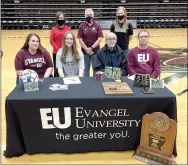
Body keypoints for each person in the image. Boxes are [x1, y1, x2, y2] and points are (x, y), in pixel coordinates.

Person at [77, 8, 103, 77]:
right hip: (85, 53)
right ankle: (86, 84)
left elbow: (99, 39)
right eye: (87, 15)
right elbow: (80, 39)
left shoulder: (98, 26)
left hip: (95, 52)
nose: (89, 16)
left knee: (96, 69)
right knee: (85, 70)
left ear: (93, 16)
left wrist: (91, 48)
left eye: (90, 15)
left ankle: (95, 84)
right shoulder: (81, 26)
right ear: (85, 16)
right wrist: (86, 49)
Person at [50, 11, 71, 77]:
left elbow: (70, 40)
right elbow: (51, 41)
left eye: (62, 17)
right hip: (56, 53)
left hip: (66, 52)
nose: (61, 19)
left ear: (64, 19)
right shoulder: (53, 29)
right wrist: (59, 50)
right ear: (57, 19)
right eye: (59, 18)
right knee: (57, 69)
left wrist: (65, 50)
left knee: (65, 69)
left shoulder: (68, 29)